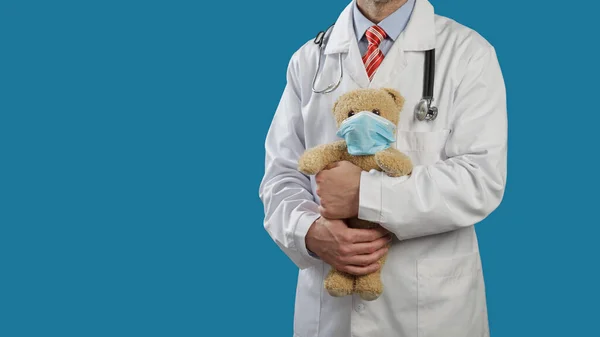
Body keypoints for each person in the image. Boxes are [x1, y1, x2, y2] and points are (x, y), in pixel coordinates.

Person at [258, 0, 507, 336]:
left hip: (432, 312)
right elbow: (282, 175)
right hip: (332, 314)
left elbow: (481, 177)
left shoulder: (468, 52)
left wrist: (364, 194)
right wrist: (309, 232)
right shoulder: (310, 59)